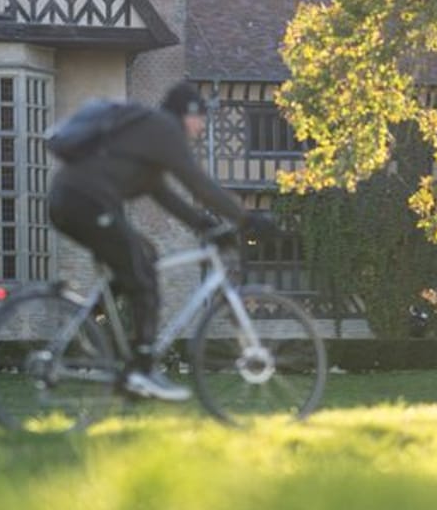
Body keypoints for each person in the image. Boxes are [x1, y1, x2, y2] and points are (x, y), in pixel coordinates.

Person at [47, 81, 273, 401]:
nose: (202, 127)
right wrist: (246, 219)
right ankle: (140, 369)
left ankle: (95, 323)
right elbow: (198, 184)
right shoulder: (164, 128)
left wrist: (207, 226)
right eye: (201, 118)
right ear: (187, 114)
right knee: (143, 275)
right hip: (85, 203)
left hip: (74, 201)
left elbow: (166, 196)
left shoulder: (148, 144)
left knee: (146, 256)